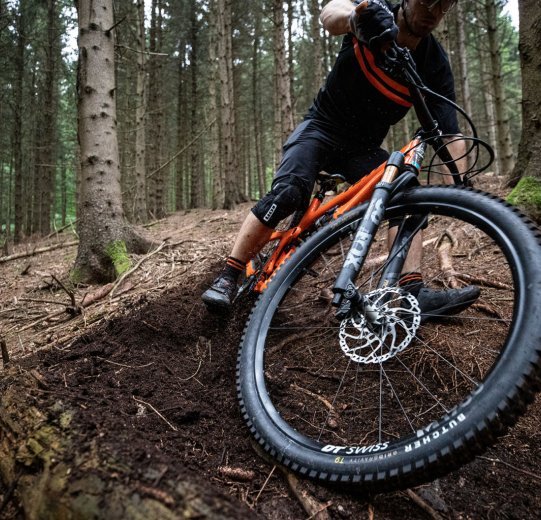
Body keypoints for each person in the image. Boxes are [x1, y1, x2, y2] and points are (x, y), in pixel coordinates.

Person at [202, 0, 480, 317]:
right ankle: (229, 275)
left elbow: (450, 134)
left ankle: (410, 291)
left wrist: (460, 190)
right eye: (426, 1)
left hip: (362, 150)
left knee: (408, 195)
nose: (434, 10)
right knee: (290, 192)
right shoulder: (378, 14)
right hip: (320, 129)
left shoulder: (434, 63)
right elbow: (331, 13)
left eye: (444, 4)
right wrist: (353, 20)